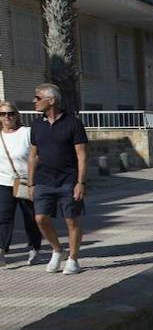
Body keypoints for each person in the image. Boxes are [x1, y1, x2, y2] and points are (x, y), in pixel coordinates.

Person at [29, 83, 88, 275]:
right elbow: (33, 155)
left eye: (38, 98)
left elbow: (82, 155)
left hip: (68, 180)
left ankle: (73, 259)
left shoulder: (73, 123)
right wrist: (30, 183)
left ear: (51, 100)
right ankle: (57, 250)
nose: (34, 101)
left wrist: (80, 182)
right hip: (44, 180)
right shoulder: (37, 125)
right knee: (40, 218)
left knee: (71, 221)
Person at [0, 101, 41, 267]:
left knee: (31, 218)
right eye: (2, 114)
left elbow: (37, 156)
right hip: (3, 182)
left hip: (26, 181)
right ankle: (1, 250)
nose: (7, 117)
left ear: (17, 115)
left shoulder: (27, 133)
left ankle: (34, 248)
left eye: (10, 113)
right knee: (3, 217)